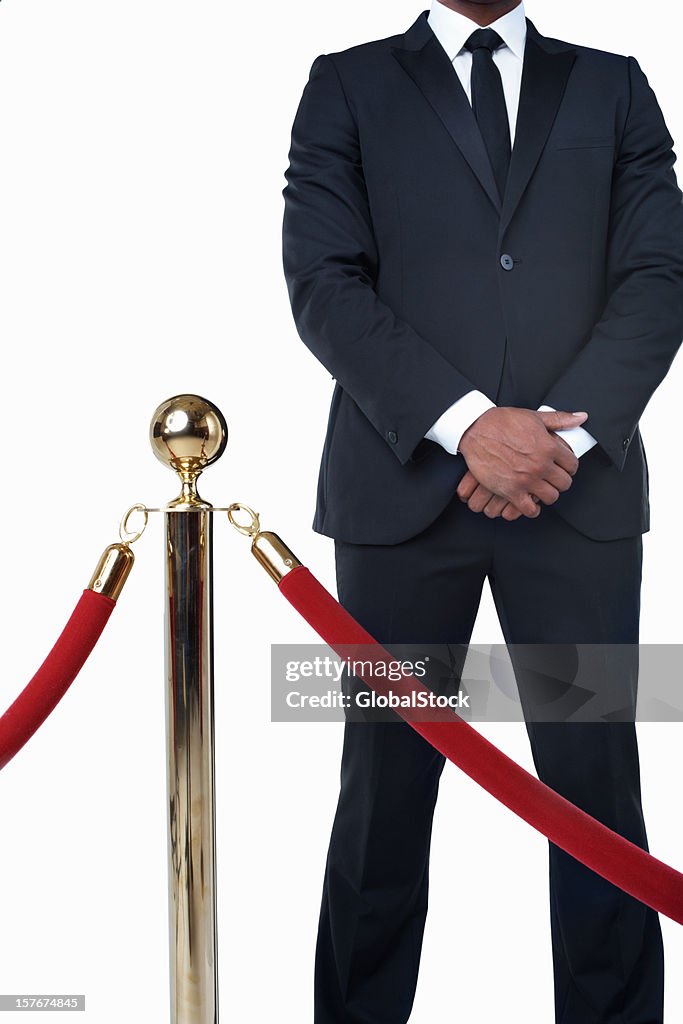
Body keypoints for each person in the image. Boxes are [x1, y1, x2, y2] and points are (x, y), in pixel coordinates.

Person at [281, 1, 683, 1020]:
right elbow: (323, 281)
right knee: (380, 801)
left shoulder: (612, 83)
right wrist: (465, 424)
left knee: (594, 799)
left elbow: (658, 274)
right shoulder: (347, 82)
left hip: (574, 501)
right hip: (398, 501)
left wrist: (556, 442)